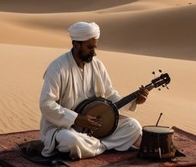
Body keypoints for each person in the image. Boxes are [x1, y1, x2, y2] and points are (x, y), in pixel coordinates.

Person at [39, 21, 148, 159]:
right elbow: (46, 103)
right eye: (90, 47)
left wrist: (134, 101)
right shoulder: (58, 67)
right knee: (72, 141)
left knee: (134, 126)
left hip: (96, 126)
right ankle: (103, 145)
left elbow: (110, 94)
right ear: (76, 45)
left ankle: (94, 146)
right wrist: (77, 119)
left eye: (94, 47)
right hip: (65, 127)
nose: (94, 52)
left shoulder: (97, 65)